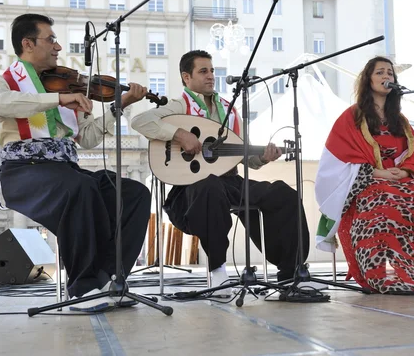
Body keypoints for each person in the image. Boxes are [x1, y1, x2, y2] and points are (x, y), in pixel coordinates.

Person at [0, 14, 151, 306]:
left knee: (134, 193)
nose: (58, 47)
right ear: (27, 44)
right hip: (21, 174)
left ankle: (109, 277)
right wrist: (56, 100)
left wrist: (117, 107)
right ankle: (82, 287)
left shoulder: (69, 87)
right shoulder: (0, 82)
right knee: (79, 188)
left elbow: (87, 138)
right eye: (51, 39)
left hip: (66, 171)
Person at [131, 50, 310, 291]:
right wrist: (179, 134)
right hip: (191, 187)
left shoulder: (230, 110)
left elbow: (245, 158)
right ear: (186, 77)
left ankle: (290, 272)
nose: (211, 76)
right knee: (210, 186)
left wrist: (263, 158)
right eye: (203, 71)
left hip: (231, 181)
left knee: (283, 194)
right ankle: (217, 270)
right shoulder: (178, 106)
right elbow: (139, 121)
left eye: (212, 70)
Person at [315, 56, 414, 293]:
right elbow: (336, 160)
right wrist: (377, 172)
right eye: (379, 72)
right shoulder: (352, 116)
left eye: (390, 73)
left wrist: (405, 169)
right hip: (366, 181)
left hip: (398, 179)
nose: (386, 76)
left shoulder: (401, 121)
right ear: (368, 79)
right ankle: (378, 275)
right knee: (383, 198)